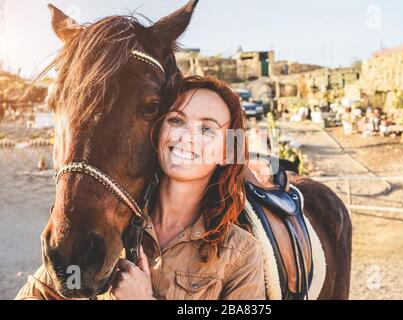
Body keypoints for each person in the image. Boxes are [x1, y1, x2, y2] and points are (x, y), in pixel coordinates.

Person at [15, 76, 266, 300]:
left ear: (226, 152)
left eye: (206, 129)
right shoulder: (108, 220)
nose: (187, 136)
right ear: (159, 132)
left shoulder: (241, 253)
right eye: (177, 120)